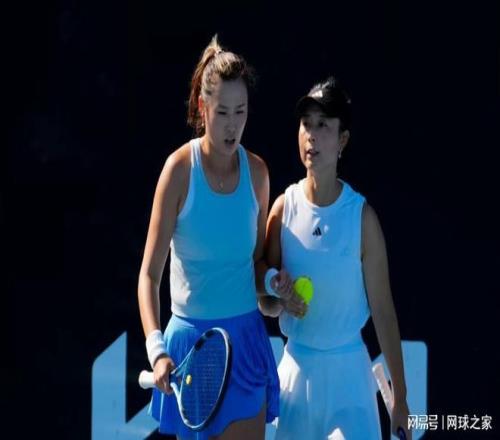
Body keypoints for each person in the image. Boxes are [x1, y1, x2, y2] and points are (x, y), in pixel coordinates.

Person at [137, 35, 279, 440]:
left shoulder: (258, 174)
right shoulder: (179, 172)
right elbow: (149, 276)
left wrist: (274, 283)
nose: (233, 124)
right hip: (189, 348)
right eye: (222, 112)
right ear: (203, 108)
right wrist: (156, 350)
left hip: (245, 343)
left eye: (241, 111)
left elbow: (256, 265)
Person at [258, 77, 411, 439]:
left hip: (349, 381)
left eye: (323, 125)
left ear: (343, 140)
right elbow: (266, 303)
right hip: (295, 377)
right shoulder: (282, 209)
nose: (311, 135)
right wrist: (280, 297)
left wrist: (401, 398)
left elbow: (383, 311)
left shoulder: (362, 219)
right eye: (306, 124)